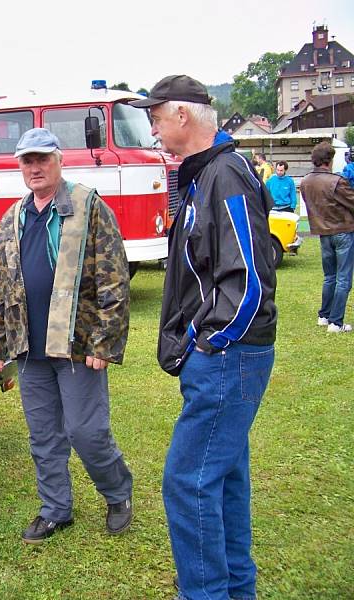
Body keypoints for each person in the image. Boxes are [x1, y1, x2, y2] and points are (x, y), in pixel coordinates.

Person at [131, 75, 277, 600]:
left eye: (155, 118)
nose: (152, 130)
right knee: (224, 481)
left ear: (182, 117)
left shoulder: (226, 175)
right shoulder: (204, 175)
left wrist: (208, 343)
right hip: (222, 358)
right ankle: (237, 591)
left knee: (188, 482)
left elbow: (251, 279)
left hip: (227, 358)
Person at [0, 127, 133, 544]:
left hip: (76, 346)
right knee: (43, 434)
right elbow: (0, 285)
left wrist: (104, 341)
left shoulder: (88, 206)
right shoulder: (14, 217)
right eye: (27, 161)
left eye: (42, 159)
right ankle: (55, 509)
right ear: (20, 166)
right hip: (30, 349)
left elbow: (114, 278)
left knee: (86, 431)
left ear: (58, 160)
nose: (34, 167)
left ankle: (118, 493)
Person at [300, 141, 354, 333]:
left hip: (323, 232)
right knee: (343, 279)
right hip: (342, 231)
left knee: (329, 276)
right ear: (329, 160)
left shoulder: (305, 181)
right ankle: (336, 322)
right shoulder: (336, 181)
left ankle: (324, 316)